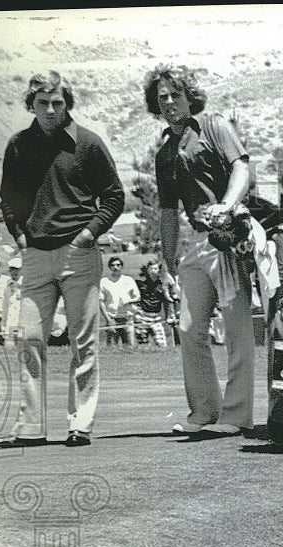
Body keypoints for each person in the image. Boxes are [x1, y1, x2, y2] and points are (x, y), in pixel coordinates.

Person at [0, 70, 125, 448]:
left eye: (58, 103)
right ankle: (31, 427)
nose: (50, 111)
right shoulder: (18, 145)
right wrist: (20, 237)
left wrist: (88, 235)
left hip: (78, 253)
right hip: (35, 253)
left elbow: (113, 196)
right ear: (30, 105)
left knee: (83, 344)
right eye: (42, 104)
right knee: (29, 340)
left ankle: (79, 424)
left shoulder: (88, 143)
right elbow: (8, 198)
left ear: (67, 104)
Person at [144, 64, 256, 436]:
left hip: (227, 240)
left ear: (190, 96)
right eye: (162, 97)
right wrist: (167, 260)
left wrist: (226, 206)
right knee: (190, 327)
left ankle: (236, 416)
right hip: (193, 243)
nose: (170, 102)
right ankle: (204, 412)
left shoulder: (214, 126)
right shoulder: (164, 154)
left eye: (176, 95)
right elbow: (166, 213)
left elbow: (242, 167)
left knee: (238, 330)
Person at [99, 255, 140, 347]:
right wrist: (108, 319)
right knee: (112, 347)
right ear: (110, 267)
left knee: (130, 347)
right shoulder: (104, 281)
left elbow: (137, 297)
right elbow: (100, 302)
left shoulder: (129, 280)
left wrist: (127, 301)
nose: (115, 267)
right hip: (112, 318)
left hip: (127, 318)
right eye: (113, 265)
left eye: (118, 265)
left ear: (121, 266)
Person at [135, 258, 173, 348]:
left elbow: (168, 300)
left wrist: (170, 315)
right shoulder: (140, 284)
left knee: (162, 343)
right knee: (142, 343)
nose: (153, 271)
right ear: (147, 270)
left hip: (156, 316)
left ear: (159, 270)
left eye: (155, 269)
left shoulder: (162, 285)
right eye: (151, 269)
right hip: (142, 316)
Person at [1, 256, 23, 342]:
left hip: (24, 320)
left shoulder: (27, 284)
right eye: (12, 269)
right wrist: (3, 323)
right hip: (11, 320)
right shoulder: (7, 285)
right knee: (9, 345)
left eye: (17, 269)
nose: (14, 272)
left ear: (22, 270)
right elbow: (5, 306)